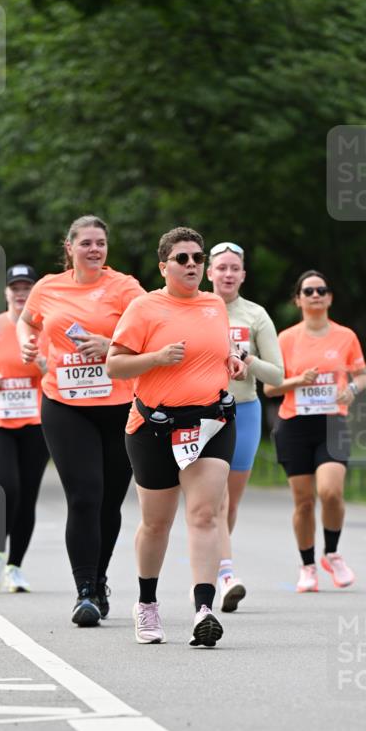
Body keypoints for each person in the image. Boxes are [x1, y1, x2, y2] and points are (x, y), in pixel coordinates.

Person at [107, 226, 247, 647]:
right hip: (154, 426)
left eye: (197, 258)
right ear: (163, 265)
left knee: (204, 514)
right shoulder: (145, 307)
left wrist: (234, 361)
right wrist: (156, 358)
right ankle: (146, 604)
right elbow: (115, 366)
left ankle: (204, 610)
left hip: (210, 422)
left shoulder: (213, 305)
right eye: (182, 258)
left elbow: (220, 352)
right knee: (156, 522)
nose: (191, 265)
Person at [17, 216, 145, 625]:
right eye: (86, 242)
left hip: (120, 405)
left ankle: (101, 575)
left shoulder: (125, 288)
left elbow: (152, 333)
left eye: (101, 243)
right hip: (65, 404)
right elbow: (27, 321)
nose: (94, 249)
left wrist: (110, 346)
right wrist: (25, 340)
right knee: (85, 495)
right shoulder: (48, 288)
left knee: (110, 502)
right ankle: (85, 591)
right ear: (69, 247)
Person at [264, 270, 366, 591]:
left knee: (331, 492)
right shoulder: (285, 339)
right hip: (294, 425)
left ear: (330, 297)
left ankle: (333, 554)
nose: (315, 295)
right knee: (304, 502)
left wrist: (352, 389)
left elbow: (362, 375)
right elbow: (270, 387)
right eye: (308, 291)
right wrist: (298, 381)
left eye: (322, 290)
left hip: (332, 423)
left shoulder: (345, 336)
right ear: (298, 299)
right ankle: (308, 565)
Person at [207, 241, 284, 612]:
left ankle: (216, 563)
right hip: (203, 411)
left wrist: (247, 358)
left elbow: (279, 375)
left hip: (245, 410)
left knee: (230, 503)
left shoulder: (255, 315)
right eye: (220, 267)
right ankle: (225, 574)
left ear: (243, 275)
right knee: (217, 500)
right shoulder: (195, 307)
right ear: (209, 273)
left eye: (234, 268)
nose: (227, 274)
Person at [0, 264, 50, 593]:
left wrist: (44, 366)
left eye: (26, 287)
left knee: (28, 496)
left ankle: (15, 566)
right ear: (6, 293)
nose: (20, 293)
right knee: (7, 489)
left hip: (36, 423)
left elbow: (59, 369)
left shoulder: (44, 328)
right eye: (15, 288)